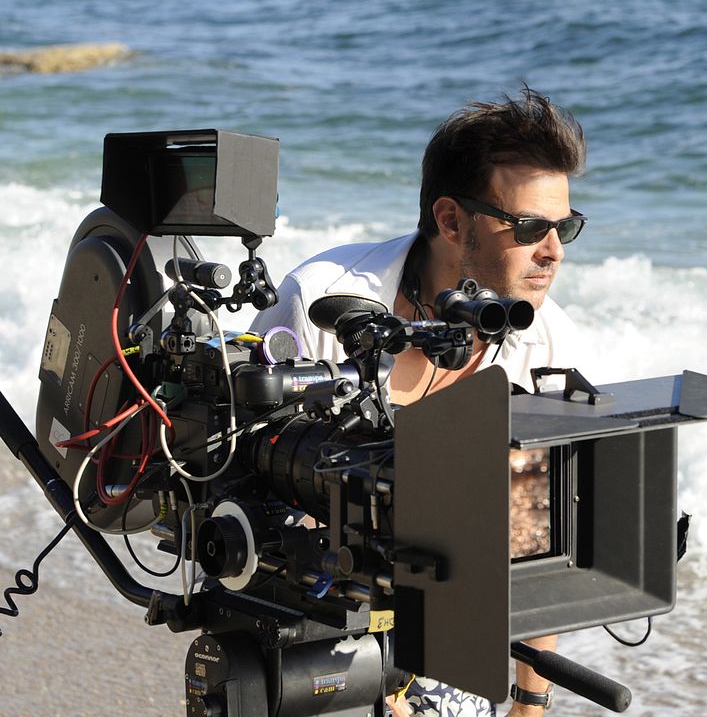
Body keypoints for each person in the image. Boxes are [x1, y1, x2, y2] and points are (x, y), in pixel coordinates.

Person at [250, 86, 588, 716]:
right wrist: (381, 683)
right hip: (306, 615)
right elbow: (251, 490)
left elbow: (537, 528)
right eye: (529, 227)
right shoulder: (325, 301)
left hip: (452, 628)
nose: (554, 250)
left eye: (564, 226)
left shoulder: (547, 339)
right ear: (451, 219)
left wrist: (529, 702)